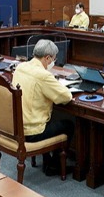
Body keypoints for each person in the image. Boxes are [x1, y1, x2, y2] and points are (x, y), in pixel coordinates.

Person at [12, 39, 73, 176]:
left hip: (17, 128)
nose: (54, 62)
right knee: (68, 125)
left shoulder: (20, 67)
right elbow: (66, 96)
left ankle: (48, 161)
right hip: (33, 132)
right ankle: (54, 165)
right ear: (47, 58)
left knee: (49, 118)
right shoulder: (43, 75)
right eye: (54, 59)